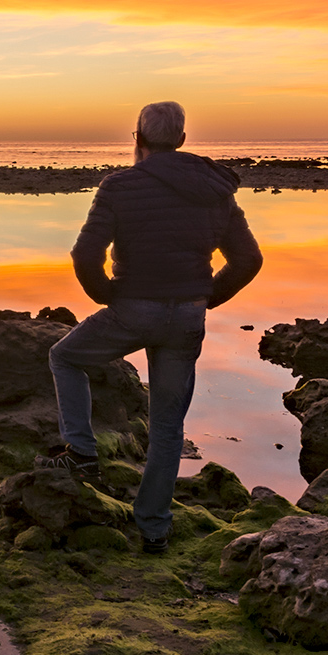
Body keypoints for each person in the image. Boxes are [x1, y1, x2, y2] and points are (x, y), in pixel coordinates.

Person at [45, 101, 263, 554]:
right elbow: (247, 259)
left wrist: (105, 295)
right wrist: (206, 297)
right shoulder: (216, 189)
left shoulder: (120, 186)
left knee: (64, 357)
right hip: (186, 317)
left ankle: (82, 453)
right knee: (167, 426)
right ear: (181, 139)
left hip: (132, 310)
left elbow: (85, 254)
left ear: (138, 138)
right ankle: (154, 529)